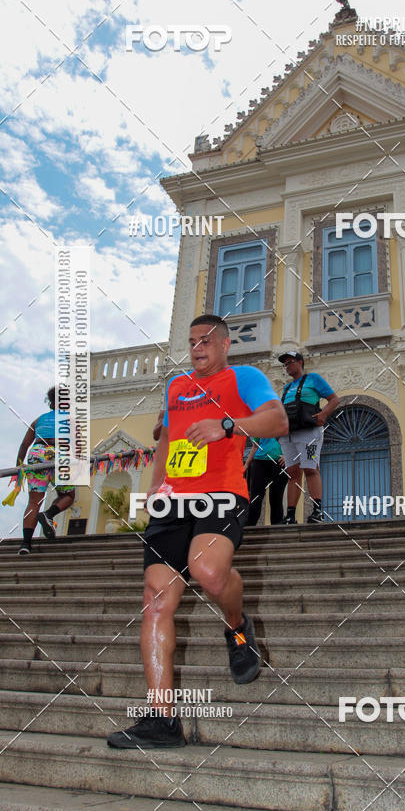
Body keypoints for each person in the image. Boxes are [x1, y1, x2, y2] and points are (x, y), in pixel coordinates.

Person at [107, 314, 288, 749]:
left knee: (207, 571)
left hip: (222, 494)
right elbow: (167, 437)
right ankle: (162, 720)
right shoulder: (177, 386)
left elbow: (278, 420)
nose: (197, 348)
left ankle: (238, 626)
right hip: (173, 501)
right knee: (155, 603)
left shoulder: (244, 377)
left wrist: (227, 425)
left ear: (226, 344)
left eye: (206, 341)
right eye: (191, 342)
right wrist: (155, 487)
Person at [277, 351, 339, 525]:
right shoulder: (287, 388)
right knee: (293, 474)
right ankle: (290, 515)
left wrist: (323, 414)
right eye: (286, 363)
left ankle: (317, 511)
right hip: (289, 435)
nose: (288, 365)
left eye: (291, 361)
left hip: (309, 432)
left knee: (311, 469)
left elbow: (334, 399)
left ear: (301, 362)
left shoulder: (313, 379)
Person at [15, 386, 75, 554]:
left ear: (51, 403)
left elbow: (24, 445)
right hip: (58, 454)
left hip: (37, 453)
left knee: (34, 502)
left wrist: (19, 467)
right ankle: (48, 514)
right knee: (68, 495)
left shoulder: (38, 420)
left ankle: (26, 544)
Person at [244, 437, 288, 526]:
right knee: (255, 496)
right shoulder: (262, 425)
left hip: (279, 462)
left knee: (276, 497)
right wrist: (246, 464)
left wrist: (287, 456)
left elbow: (291, 442)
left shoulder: (284, 424)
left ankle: (277, 526)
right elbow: (255, 445)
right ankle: (249, 526)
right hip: (259, 461)